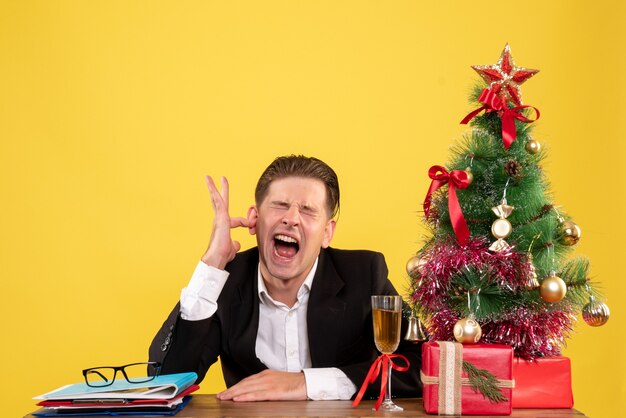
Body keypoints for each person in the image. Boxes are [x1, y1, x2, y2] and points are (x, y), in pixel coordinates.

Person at [149, 155, 422, 401]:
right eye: (280, 205)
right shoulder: (224, 281)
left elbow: (422, 367)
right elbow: (166, 381)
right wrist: (212, 264)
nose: (291, 219)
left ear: (327, 232)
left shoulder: (364, 274)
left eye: (307, 210)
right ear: (255, 220)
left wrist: (306, 383)